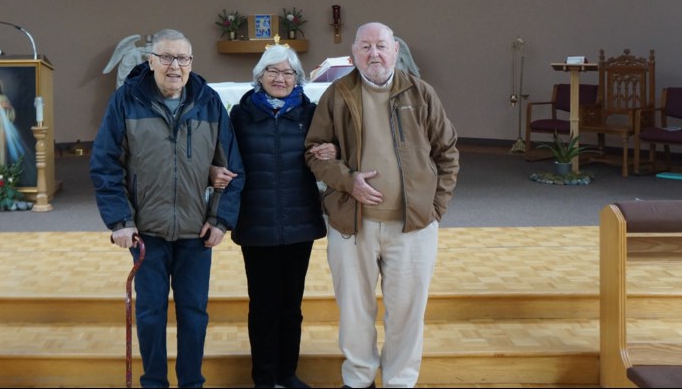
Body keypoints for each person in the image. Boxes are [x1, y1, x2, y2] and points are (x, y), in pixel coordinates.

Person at [304, 22, 459, 388]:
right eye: (366, 47)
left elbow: (447, 152)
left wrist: (436, 207)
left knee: (407, 313)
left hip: (414, 226)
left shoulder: (421, 94)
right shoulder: (337, 94)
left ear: (395, 51)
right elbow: (314, 152)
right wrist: (347, 181)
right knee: (355, 312)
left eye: (381, 46)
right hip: (351, 224)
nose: (374, 54)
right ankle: (358, 379)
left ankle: (400, 381)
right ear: (354, 53)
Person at [91, 28, 245, 388]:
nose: (175, 66)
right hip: (146, 231)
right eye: (166, 57)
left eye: (183, 58)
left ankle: (192, 382)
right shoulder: (126, 101)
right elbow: (105, 164)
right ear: (150, 61)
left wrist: (221, 220)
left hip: (196, 232)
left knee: (194, 315)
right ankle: (154, 383)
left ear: (191, 63)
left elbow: (232, 168)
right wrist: (120, 221)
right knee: (149, 314)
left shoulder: (208, 101)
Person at [223, 44, 334, 389]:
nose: (280, 78)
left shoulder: (312, 113)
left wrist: (334, 150)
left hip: (298, 222)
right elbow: (226, 159)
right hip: (257, 223)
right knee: (263, 307)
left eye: (288, 73)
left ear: (298, 79)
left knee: (291, 306)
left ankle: (287, 373)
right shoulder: (240, 115)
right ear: (259, 77)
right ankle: (264, 378)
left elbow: (330, 149)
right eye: (273, 71)